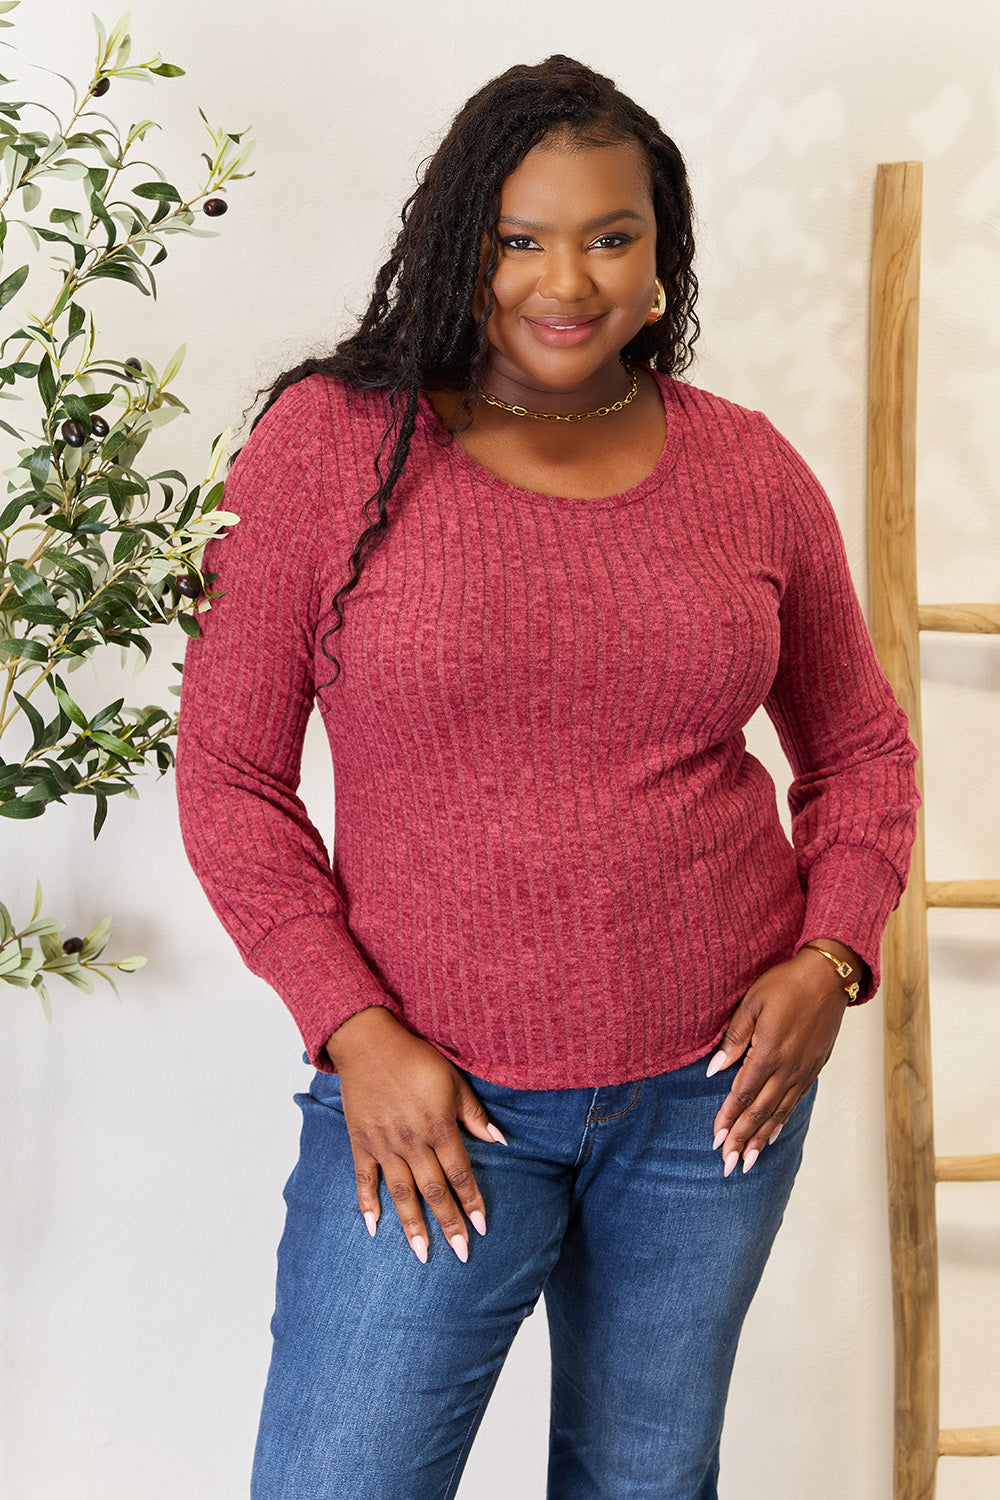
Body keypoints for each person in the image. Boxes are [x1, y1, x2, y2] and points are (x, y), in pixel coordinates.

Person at [175, 54, 919, 1500]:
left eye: (608, 235)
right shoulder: (333, 449)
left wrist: (833, 960)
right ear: (463, 247)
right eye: (519, 237)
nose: (562, 279)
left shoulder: (748, 470)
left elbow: (863, 751)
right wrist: (353, 1032)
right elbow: (230, 776)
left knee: (646, 1482)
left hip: (714, 1103)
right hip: (430, 1105)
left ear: (660, 259)